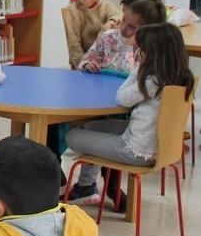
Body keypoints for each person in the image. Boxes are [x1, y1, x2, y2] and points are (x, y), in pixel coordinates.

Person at [63, 22, 194, 206]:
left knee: (73, 135)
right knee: (91, 127)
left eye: (141, 47)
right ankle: (87, 187)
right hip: (158, 146)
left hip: (136, 151)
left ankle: (86, 186)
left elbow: (122, 98)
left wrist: (138, 69)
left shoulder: (151, 79)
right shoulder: (182, 77)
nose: (137, 50)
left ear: (152, 52)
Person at [78, 0, 165, 76]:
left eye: (131, 27)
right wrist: (87, 65)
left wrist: (129, 47)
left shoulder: (150, 50)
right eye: (124, 19)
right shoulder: (108, 37)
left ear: (146, 30)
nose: (123, 28)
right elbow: (83, 63)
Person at [63, 0, 122, 69]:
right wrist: (83, 65)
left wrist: (109, 24)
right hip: (84, 58)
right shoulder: (72, 11)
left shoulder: (106, 6)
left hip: (106, 57)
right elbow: (73, 44)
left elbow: (117, 16)